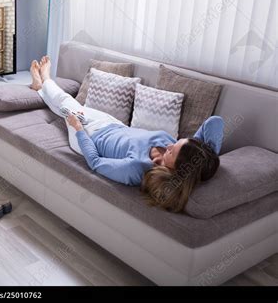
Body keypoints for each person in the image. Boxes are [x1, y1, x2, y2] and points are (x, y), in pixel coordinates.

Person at [30, 56, 224, 213]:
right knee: (66, 107)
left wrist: (79, 130)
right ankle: (40, 87)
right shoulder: (184, 153)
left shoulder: (137, 168)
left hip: (89, 137)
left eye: (173, 152)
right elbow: (215, 123)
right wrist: (207, 158)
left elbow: (96, 163)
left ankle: (45, 80)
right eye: (179, 142)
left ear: (176, 169)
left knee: (66, 103)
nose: (171, 145)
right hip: (114, 125)